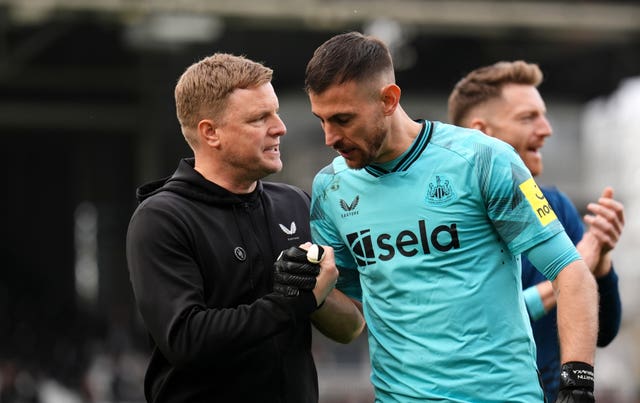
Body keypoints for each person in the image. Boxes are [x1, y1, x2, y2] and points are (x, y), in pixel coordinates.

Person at [304, 31, 598, 402]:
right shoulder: (331, 188)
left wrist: (578, 383)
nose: (330, 137)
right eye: (322, 119)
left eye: (343, 119)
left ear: (389, 100)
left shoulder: (484, 159)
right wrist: (307, 294)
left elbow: (571, 272)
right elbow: (351, 322)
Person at [125, 53, 365, 403]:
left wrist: (317, 292)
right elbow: (186, 340)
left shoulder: (294, 203)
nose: (280, 127)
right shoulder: (161, 218)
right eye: (259, 118)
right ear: (211, 133)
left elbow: (351, 328)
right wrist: (290, 302)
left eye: (276, 112)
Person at [447, 60, 624, 401]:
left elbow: (603, 332)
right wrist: (576, 268)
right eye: (528, 118)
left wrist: (600, 265)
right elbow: (473, 327)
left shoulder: (555, 205)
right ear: (483, 133)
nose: (546, 129)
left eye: (543, 115)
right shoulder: (443, 221)